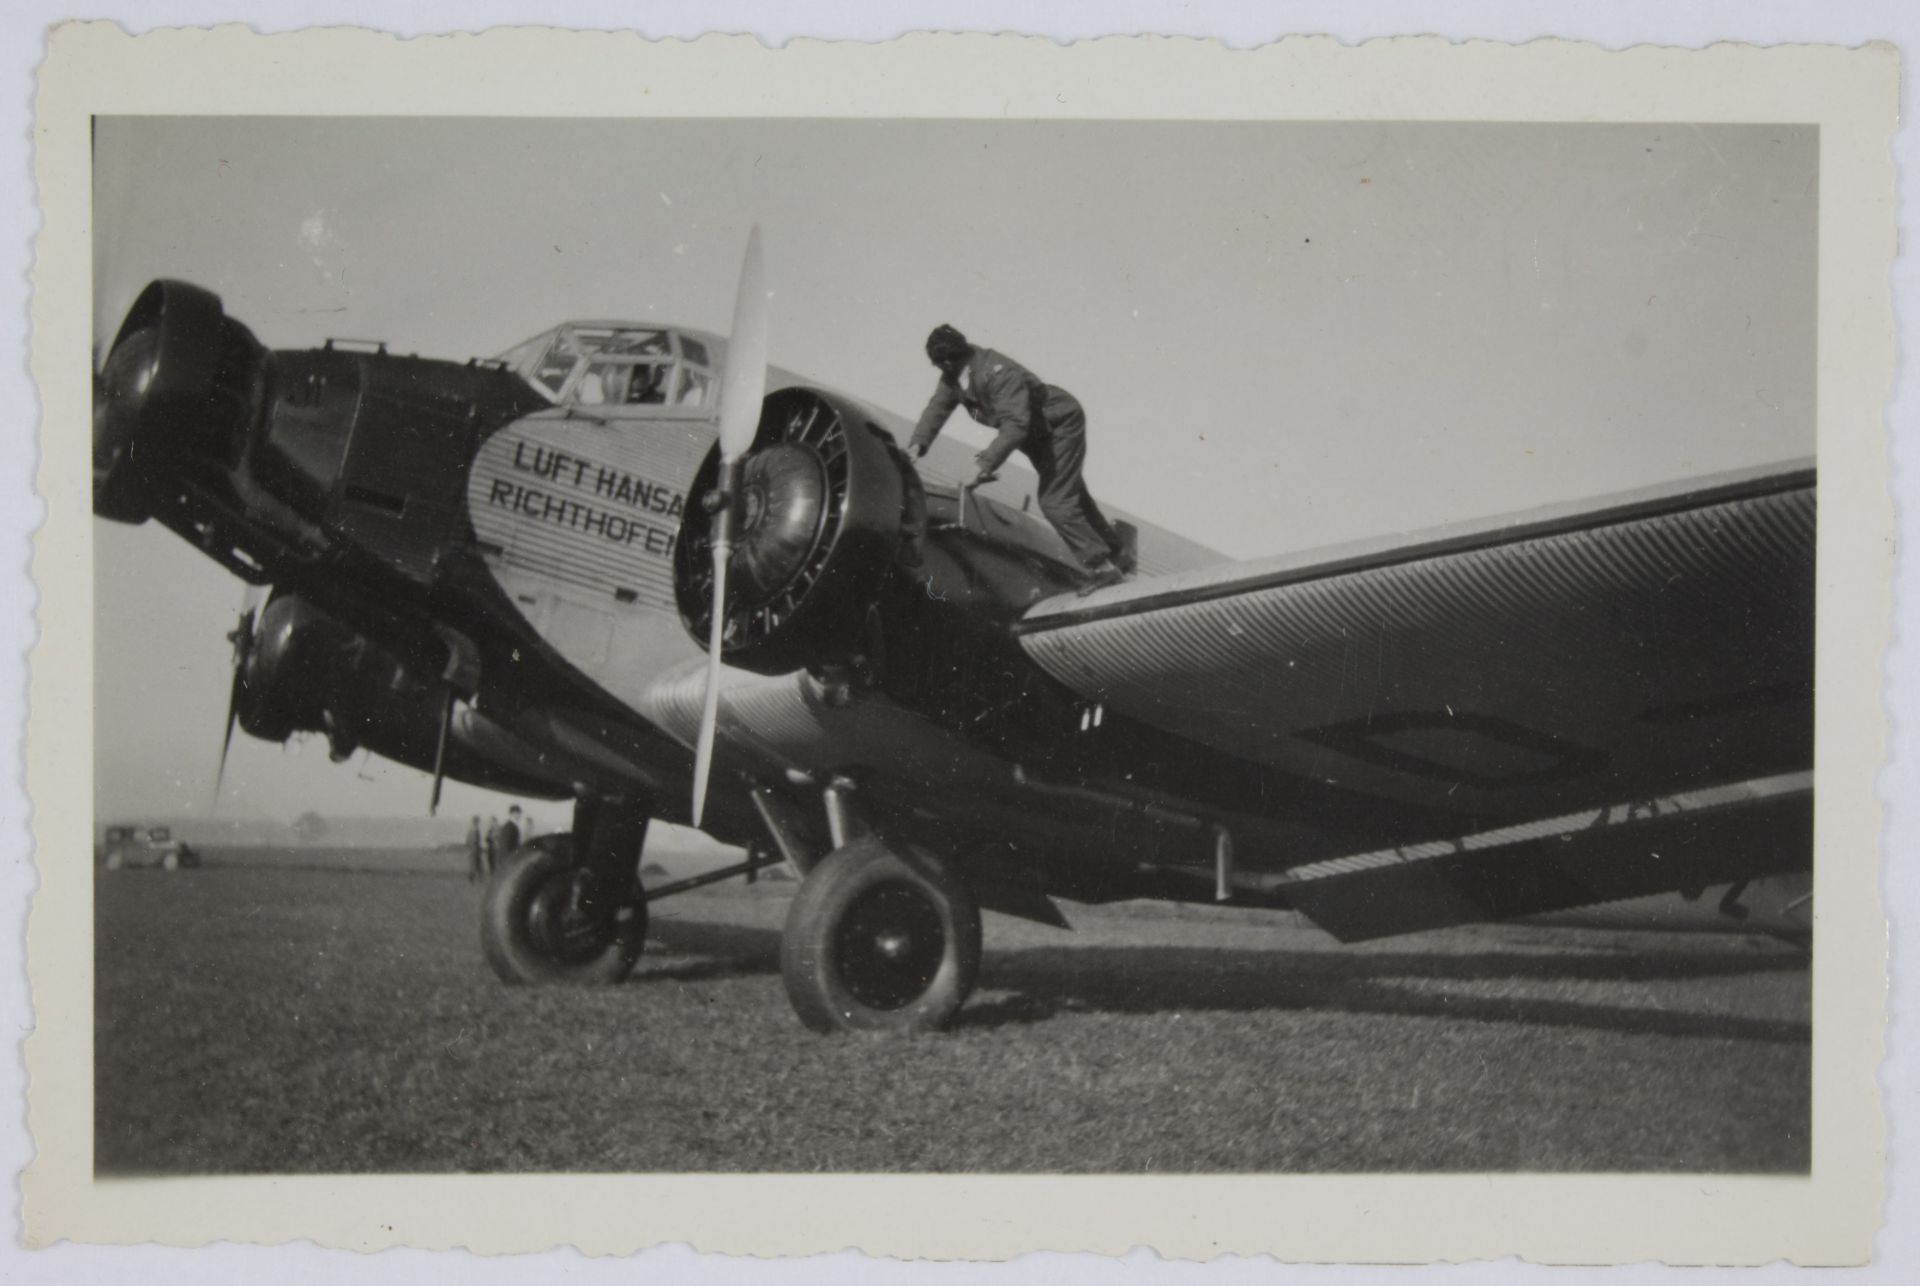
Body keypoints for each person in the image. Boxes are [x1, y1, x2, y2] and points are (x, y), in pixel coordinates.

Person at [909, 324, 1135, 593]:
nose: (942, 372)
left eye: (944, 365)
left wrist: (982, 466)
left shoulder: (998, 373)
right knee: (1070, 493)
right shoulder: (955, 375)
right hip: (1036, 433)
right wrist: (917, 445)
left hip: (1059, 424)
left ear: (951, 359)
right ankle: (1117, 552)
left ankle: (1101, 567)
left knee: (1055, 501)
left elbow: (1015, 425)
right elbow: (937, 407)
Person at [465, 816, 485, 883]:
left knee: (472, 865)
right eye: (478, 821)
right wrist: (479, 848)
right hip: (475, 850)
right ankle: (478, 879)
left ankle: (473, 879)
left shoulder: (470, 830)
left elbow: (467, 841)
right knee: (477, 865)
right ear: (477, 822)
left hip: (471, 850)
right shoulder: (476, 830)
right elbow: (476, 840)